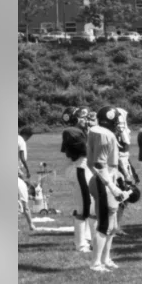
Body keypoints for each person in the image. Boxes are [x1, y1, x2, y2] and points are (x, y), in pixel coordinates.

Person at [85, 106, 126, 272]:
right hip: (104, 183)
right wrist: (112, 186)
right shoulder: (104, 134)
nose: (118, 124)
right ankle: (96, 263)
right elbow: (99, 164)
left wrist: (118, 177)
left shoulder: (99, 132)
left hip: (105, 180)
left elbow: (92, 163)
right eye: (116, 121)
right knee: (104, 224)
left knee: (112, 225)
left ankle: (106, 258)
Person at [61, 107, 93, 253]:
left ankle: (86, 237)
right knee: (83, 206)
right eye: (81, 117)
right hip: (79, 169)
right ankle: (80, 243)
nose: (85, 119)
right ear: (73, 118)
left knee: (89, 204)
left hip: (83, 168)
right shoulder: (71, 131)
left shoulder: (80, 131)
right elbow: (86, 151)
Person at [18, 125, 38, 232]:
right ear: (28, 135)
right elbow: (22, 158)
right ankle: (31, 225)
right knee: (24, 202)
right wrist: (27, 170)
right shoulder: (21, 142)